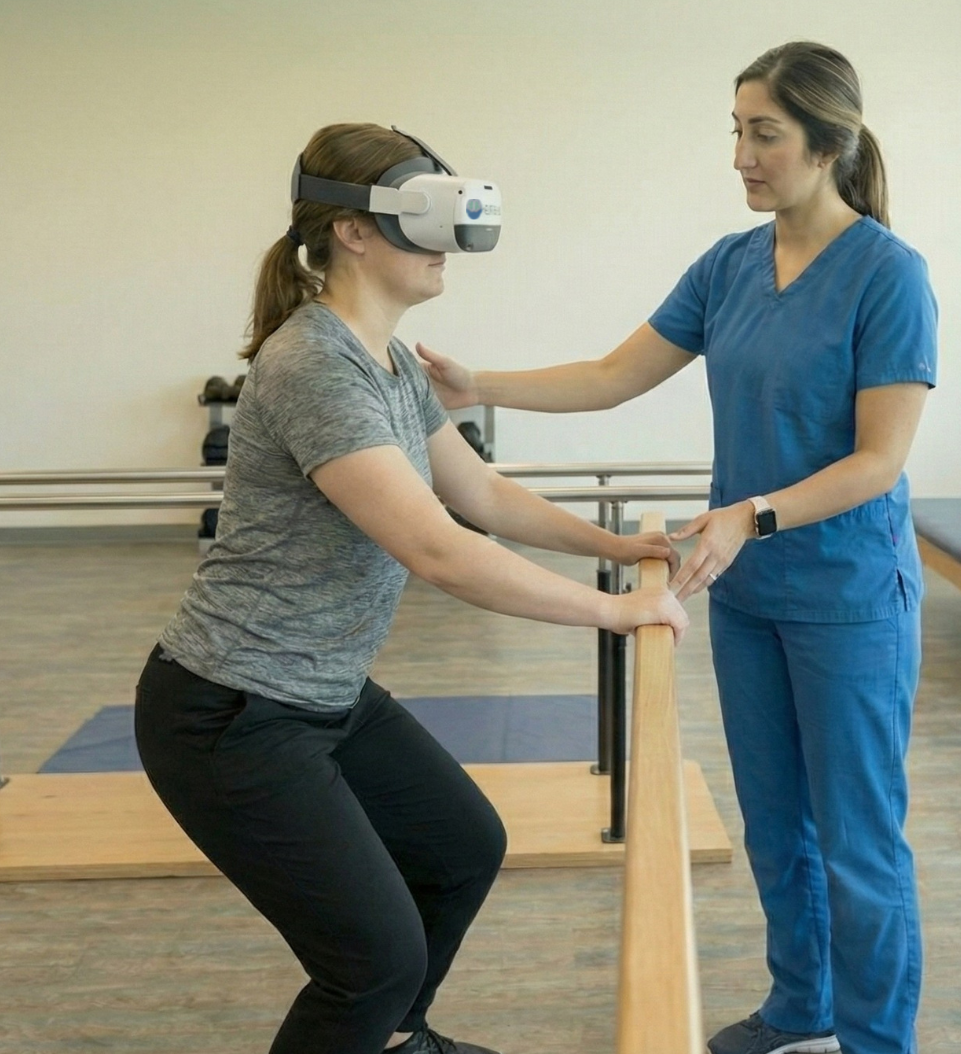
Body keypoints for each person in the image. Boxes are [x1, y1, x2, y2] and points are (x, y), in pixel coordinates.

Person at [418, 43, 937, 1054]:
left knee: (859, 847)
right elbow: (615, 374)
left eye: (764, 134)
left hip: (847, 598)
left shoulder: (888, 274)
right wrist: (479, 385)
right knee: (776, 829)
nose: (741, 155)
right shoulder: (730, 265)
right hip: (745, 597)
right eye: (735, 131)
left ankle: (879, 1041)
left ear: (827, 145)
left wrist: (752, 513)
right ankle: (803, 1007)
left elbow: (880, 459)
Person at [134, 122, 688, 1054]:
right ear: (353, 231)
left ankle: (395, 1041)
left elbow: (478, 494)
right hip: (231, 709)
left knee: (460, 848)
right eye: (422, 214)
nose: (447, 246)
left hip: (325, 692)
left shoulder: (391, 362)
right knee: (371, 963)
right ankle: (384, 1023)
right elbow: (438, 549)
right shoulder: (313, 361)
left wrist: (626, 548)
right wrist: (612, 610)